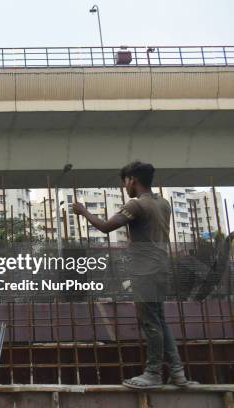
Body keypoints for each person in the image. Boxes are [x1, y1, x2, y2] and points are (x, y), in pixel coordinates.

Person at [72, 161, 192, 389]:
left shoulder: (137, 205)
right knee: (160, 321)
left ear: (132, 181)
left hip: (145, 272)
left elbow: (106, 227)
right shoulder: (164, 204)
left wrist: (84, 211)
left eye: (125, 182)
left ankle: (153, 373)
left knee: (150, 323)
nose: (125, 186)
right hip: (161, 269)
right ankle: (178, 372)